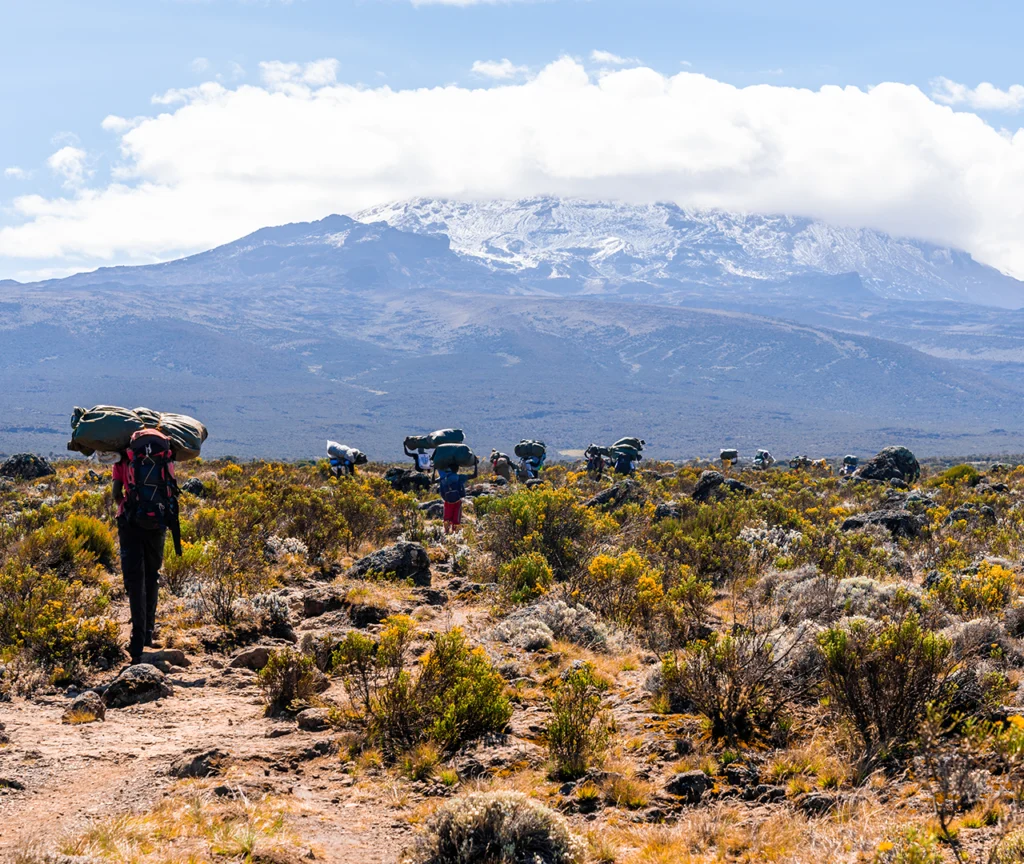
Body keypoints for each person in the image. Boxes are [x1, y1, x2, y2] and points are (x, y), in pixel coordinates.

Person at [113, 431, 178, 665]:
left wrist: (126, 506)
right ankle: (149, 633)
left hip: (130, 523)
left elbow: (115, 494)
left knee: (135, 579)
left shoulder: (124, 458)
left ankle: (137, 639)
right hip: (157, 522)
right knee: (152, 575)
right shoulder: (164, 454)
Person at [438, 456, 479, 534]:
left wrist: (434, 470)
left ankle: (446, 534)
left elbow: (434, 483)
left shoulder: (443, 478)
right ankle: (455, 536)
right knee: (456, 521)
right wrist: (475, 464)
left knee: (446, 519)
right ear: (457, 469)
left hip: (447, 502)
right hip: (457, 502)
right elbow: (474, 475)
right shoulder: (460, 477)